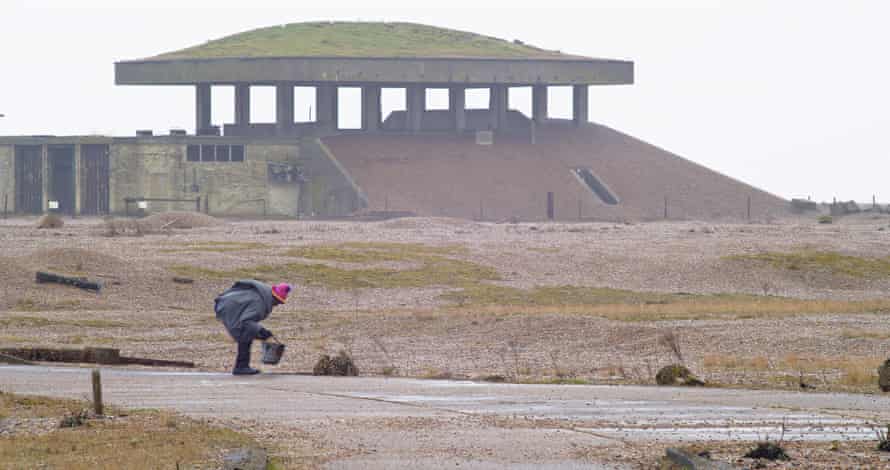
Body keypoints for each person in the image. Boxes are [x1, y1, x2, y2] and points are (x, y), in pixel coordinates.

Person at [214, 280, 291, 375]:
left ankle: (241, 366)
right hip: (228, 307)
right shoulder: (260, 302)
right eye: (278, 302)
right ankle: (241, 367)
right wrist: (265, 333)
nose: (277, 305)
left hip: (229, 305)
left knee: (248, 332)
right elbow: (246, 321)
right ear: (274, 298)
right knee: (246, 333)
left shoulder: (264, 296)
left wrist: (263, 335)